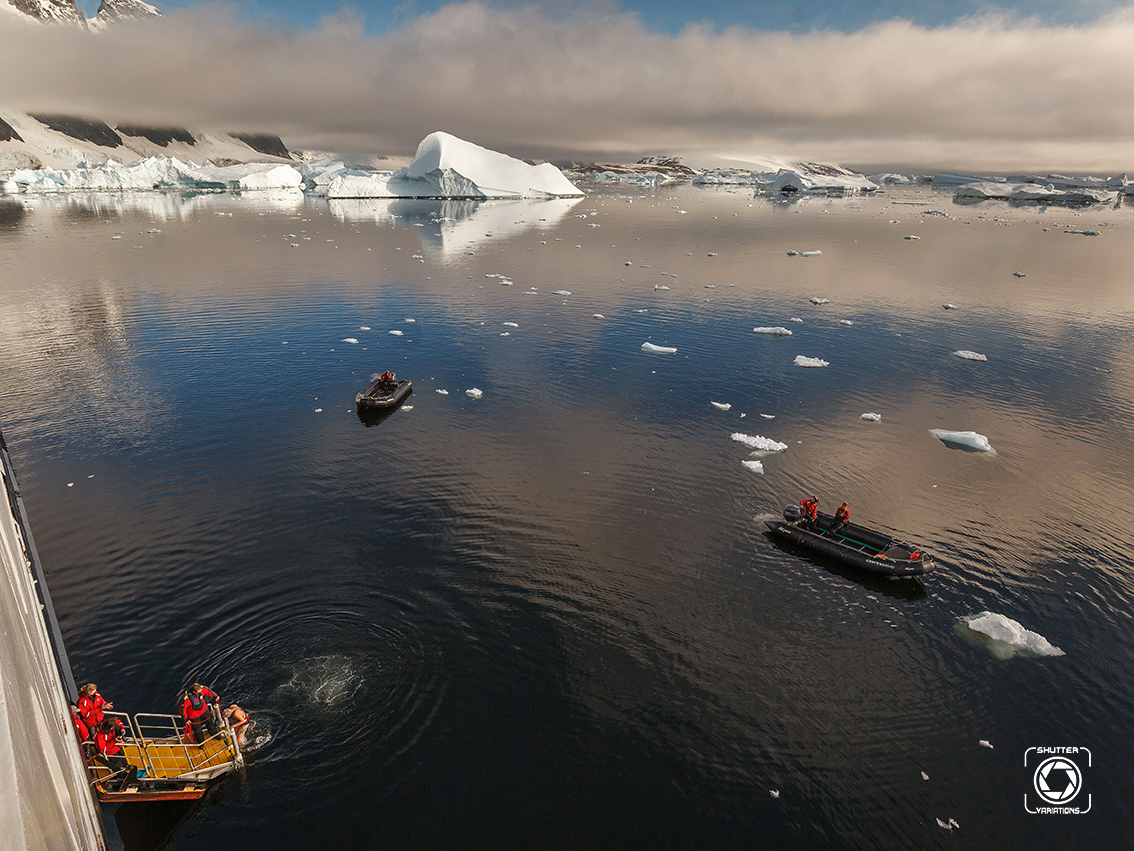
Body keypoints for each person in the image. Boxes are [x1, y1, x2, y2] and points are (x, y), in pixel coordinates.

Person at [94, 718, 135, 790]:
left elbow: (119, 722)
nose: (115, 728)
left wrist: (121, 728)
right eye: (114, 727)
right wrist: (114, 741)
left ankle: (127, 769)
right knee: (118, 766)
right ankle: (122, 778)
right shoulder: (100, 736)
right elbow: (103, 749)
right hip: (111, 752)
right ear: (110, 728)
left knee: (124, 761)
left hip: (118, 747)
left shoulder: (110, 722)